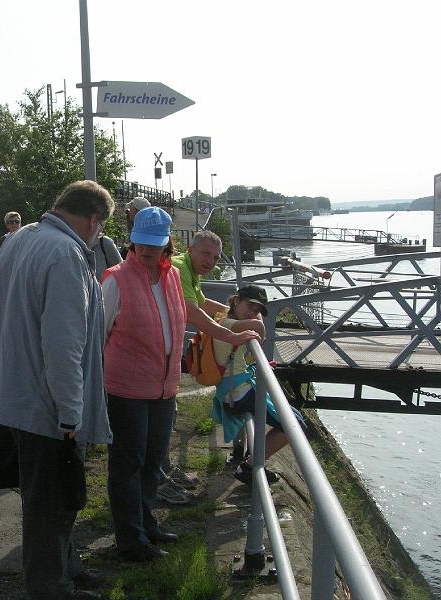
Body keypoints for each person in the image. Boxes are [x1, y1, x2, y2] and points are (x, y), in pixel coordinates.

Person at [0, 180, 114, 600]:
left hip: (14, 393)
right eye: (101, 228)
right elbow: (64, 346)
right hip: (47, 406)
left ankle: (66, 566)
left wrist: (15, 340)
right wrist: (70, 413)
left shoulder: (21, 237)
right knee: (51, 501)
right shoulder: (66, 254)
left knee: (46, 494)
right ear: (94, 220)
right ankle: (51, 588)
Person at [101, 206, 187, 563]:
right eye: (141, 242)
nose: (147, 250)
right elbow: (98, 333)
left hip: (164, 386)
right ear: (132, 241)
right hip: (126, 388)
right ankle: (130, 539)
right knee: (128, 464)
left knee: (152, 461)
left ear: (167, 244)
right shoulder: (116, 279)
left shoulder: (172, 276)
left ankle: (146, 524)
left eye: (155, 243)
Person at [158, 231, 260, 503]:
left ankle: (163, 471)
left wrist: (236, 316)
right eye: (205, 253)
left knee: (166, 412)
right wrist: (232, 333)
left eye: (215, 257)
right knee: (160, 415)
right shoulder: (179, 268)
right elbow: (193, 312)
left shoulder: (190, 270)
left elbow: (203, 303)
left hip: (164, 349)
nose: (210, 261)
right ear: (190, 249)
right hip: (154, 350)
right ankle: (159, 479)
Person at [210, 285, 308, 485]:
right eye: (250, 306)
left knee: (294, 417)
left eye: (257, 310)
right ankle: (249, 467)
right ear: (236, 300)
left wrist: (253, 317)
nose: (252, 313)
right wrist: (260, 328)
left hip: (237, 389)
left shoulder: (228, 319)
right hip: (237, 394)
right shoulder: (228, 323)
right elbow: (259, 326)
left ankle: (253, 461)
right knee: (295, 425)